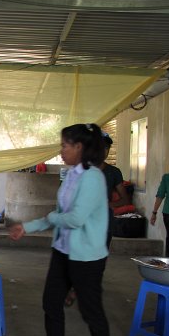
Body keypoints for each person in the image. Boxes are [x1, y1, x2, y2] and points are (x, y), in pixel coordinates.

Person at [9, 123, 110, 336]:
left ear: (80, 147)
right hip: (63, 251)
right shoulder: (72, 175)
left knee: (91, 311)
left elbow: (74, 219)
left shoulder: (93, 177)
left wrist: (53, 218)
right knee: (51, 302)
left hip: (86, 257)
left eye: (65, 145)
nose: (61, 150)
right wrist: (27, 227)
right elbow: (59, 214)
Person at [64, 132, 129, 307]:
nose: (103, 152)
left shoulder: (113, 172)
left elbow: (125, 199)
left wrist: (108, 204)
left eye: (106, 148)